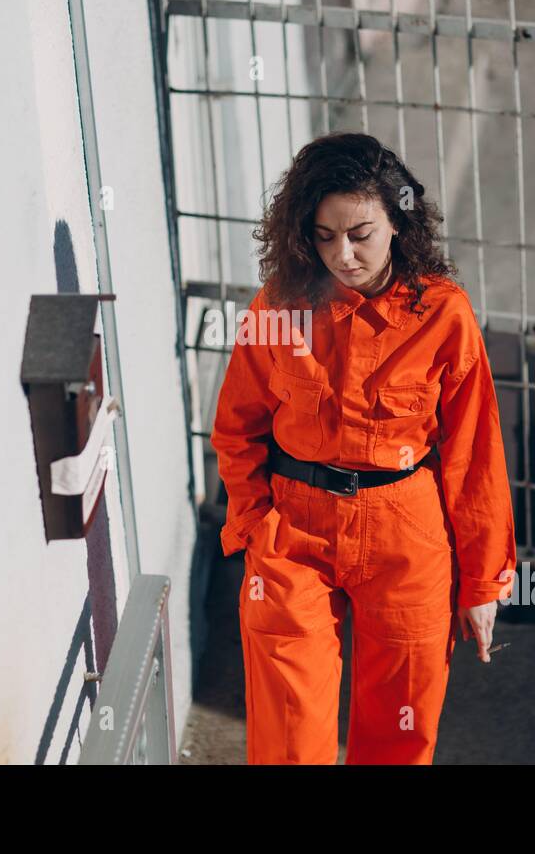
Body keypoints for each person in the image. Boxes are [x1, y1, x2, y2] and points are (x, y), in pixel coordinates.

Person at [210, 131, 518, 765]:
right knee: (290, 742)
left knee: (399, 739)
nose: (342, 254)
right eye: (324, 236)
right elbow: (237, 428)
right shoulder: (278, 309)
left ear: (398, 224)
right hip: (293, 533)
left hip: (406, 537)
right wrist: (252, 525)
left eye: (360, 234)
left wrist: (482, 583)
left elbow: (475, 456)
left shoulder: (444, 315)